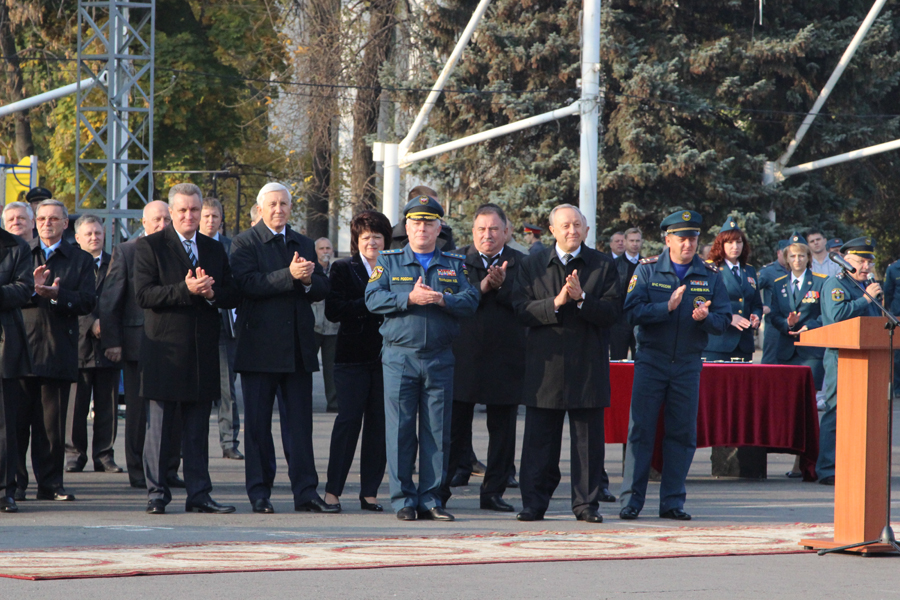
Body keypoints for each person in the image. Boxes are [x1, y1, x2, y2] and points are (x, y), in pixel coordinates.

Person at [365, 193, 479, 522]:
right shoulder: (388, 261)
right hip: (400, 357)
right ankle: (403, 500)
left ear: (439, 227)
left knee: (437, 432)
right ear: (407, 226)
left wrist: (443, 300)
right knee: (400, 430)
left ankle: (431, 498)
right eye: (416, 222)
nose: (422, 228)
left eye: (429, 222)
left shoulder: (455, 264)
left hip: (440, 358)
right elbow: (373, 299)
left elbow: (471, 300)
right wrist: (409, 298)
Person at [133, 183, 240, 515]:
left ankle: (199, 494)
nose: (189, 216)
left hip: (203, 352)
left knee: (197, 430)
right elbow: (145, 295)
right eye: (182, 210)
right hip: (165, 351)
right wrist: (186, 289)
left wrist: (211, 294)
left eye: (194, 210)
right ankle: (157, 494)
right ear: (171, 213)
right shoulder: (150, 246)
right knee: (161, 430)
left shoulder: (214, 248)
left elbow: (232, 293)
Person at [619, 210, 731, 521]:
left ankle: (672, 502)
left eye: (693, 238)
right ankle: (631, 501)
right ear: (668, 240)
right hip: (651, 361)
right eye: (682, 239)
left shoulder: (710, 275)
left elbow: (723, 321)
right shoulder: (647, 271)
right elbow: (631, 312)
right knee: (640, 431)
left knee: (682, 434)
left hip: (687, 364)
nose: (688, 244)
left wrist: (706, 319)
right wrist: (664, 308)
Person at [230, 182, 332, 515]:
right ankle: (259, 493)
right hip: (259, 350)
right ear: (260, 208)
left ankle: (306, 492)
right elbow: (245, 285)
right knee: (258, 428)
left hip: (298, 349)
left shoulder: (302, 242)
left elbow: (321, 287)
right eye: (272, 204)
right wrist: (288, 275)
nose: (278, 209)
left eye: (284, 204)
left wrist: (306, 281)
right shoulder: (245, 242)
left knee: (300, 427)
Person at [513, 203, 620, 523]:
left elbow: (614, 313)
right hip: (545, 368)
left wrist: (583, 299)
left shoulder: (602, 265)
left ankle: (586, 504)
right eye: (565, 226)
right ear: (552, 231)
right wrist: (557, 302)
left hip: (587, 365)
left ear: (587, 230)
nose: (572, 231)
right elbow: (520, 310)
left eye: (577, 225)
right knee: (538, 441)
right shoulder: (532, 264)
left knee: (588, 443)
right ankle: (534, 502)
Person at [437, 203, 525, 513]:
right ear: (473, 233)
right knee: (453, 429)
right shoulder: (456, 263)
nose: (487, 235)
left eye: (494, 229)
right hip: (463, 357)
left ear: (506, 232)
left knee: (502, 433)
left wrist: (500, 289)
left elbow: (526, 303)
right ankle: (440, 492)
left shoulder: (523, 263)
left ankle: (493, 492)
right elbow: (450, 300)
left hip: (506, 358)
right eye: (481, 229)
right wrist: (482, 286)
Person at [99, 201, 183, 489]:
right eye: (156, 219)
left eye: (166, 219)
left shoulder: (178, 249)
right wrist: (113, 341)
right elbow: (111, 299)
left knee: (172, 411)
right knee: (137, 413)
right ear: (144, 223)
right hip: (136, 344)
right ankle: (138, 470)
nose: (162, 224)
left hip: (171, 345)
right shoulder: (127, 251)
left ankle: (169, 469)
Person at [16, 199, 96, 502]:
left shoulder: (80, 259)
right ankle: (15, 485)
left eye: (54, 219)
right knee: (17, 424)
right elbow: (9, 294)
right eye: (42, 218)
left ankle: (50, 485)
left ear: (66, 224)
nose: (47, 223)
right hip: (21, 350)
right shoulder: (22, 254)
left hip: (58, 349)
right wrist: (31, 290)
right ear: (35, 222)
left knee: (51, 427)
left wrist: (57, 295)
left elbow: (88, 301)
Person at [322, 211, 393, 512]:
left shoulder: (395, 267)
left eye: (378, 237)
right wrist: (372, 303)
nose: (373, 242)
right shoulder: (342, 268)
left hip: (387, 357)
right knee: (348, 422)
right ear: (357, 241)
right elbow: (333, 309)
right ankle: (332, 492)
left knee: (379, 425)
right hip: (351, 358)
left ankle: (370, 493)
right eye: (366, 237)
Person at [816, 237, 883, 486]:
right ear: (845, 261)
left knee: (863, 415)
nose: (866, 266)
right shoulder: (836, 284)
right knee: (837, 412)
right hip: (841, 357)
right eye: (860, 261)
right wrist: (866, 300)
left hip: (868, 358)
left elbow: (876, 321)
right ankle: (827, 468)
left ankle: (858, 465)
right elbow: (836, 316)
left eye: (869, 261)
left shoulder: (870, 285)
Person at [64, 215, 122, 475]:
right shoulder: (71, 264)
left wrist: (108, 331)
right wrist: (91, 324)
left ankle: (104, 455)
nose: (94, 237)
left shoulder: (116, 263)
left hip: (109, 344)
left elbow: (122, 300)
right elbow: (68, 298)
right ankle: (75, 454)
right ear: (77, 238)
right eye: (88, 234)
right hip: (79, 343)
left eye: (97, 233)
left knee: (107, 404)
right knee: (76, 405)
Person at [769, 232, 828, 477]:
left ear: (808, 258)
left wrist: (809, 326)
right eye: (792, 256)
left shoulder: (821, 282)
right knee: (791, 406)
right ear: (786, 258)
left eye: (801, 256)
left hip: (811, 351)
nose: (797, 260)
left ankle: (807, 461)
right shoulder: (778, 284)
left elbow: (825, 314)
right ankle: (796, 458)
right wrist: (786, 323)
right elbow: (772, 316)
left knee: (810, 406)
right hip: (786, 350)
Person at [199, 198, 243, 461]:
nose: (210, 221)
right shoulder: (190, 246)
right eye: (206, 216)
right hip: (196, 326)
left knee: (228, 389)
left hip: (225, 327)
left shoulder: (230, 247)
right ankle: (191, 443)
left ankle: (229, 441)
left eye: (215, 216)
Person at [0, 216, 35, 512]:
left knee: (4, 424)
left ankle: (4, 490)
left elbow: (24, 288)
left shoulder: (17, 247)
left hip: (3, 344)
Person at [702, 217, 762, 361]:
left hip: (744, 344)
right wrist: (728, 319)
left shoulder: (749, 270)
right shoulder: (710, 270)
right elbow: (702, 305)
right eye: (729, 242)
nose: (735, 246)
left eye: (739, 242)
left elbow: (756, 304)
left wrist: (756, 316)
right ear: (720, 245)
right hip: (718, 343)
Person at [312, 237, 339, 413]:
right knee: (305, 367)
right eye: (321, 248)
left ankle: (334, 403)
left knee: (332, 369)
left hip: (333, 327)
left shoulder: (338, 270)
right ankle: (302, 401)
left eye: (328, 248)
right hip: (312, 326)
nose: (325, 251)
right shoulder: (310, 269)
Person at [610, 227, 643, 360]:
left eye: (638, 241)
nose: (635, 244)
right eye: (632, 240)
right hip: (619, 320)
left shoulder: (647, 265)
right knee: (618, 358)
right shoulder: (614, 264)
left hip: (640, 320)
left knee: (640, 359)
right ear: (625, 241)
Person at [757, 240, 790, 364]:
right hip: (774, 326)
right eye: (785, 253)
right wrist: (760, 307)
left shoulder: (797, 271)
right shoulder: (768, 271)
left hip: (793, 324)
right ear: (778, 253)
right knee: (770, 362)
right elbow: (749, 291)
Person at [884, 254, 900, 397]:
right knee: (898, 356)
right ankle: (898, 388)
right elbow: (888, 292)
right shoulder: (894, 269)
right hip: (898, 315)